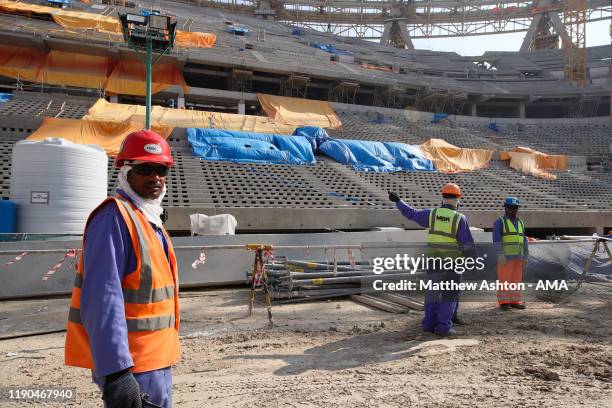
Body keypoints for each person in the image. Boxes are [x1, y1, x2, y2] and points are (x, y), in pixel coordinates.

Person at [65, 130, 180, 408]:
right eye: (145, 169)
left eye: (161, 169)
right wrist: (116, 372)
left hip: (156, 361)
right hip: (132, 366)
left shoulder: (148, 219)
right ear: (126, 172)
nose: (155, 177)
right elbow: (103, 299)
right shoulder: (113, 218)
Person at [389, 183, 476, 336]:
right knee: (449, 294)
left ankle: (429, 324)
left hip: (434, 261)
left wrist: (398, 201)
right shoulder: (459, 218)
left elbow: (411, 214)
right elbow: (467, 244)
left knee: (433, 292)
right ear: (458, 199)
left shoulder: (433, 214)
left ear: (442, 198)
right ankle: (443, 327)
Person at [493, 197, 528, 310]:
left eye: (515, 208)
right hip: (506, 258)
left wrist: (526, 256)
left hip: (518, 258)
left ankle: (514, 301)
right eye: (511, 207)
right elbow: (497, 239)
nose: (513, 210)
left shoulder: (521, 222)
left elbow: (524, 240)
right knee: (504, 280)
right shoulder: (500, 222)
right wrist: (500, 254)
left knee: (516, 280)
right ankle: (503, 302)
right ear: (506, 208)